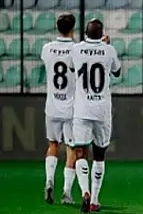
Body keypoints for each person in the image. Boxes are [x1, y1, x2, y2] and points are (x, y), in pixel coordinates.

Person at [71, 19, 122, 213]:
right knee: (99, 155)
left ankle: (84, 191)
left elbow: (72, 69)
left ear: (85, 32)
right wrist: (105, 46)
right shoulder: (109, 50)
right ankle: (94, 200)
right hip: (102, 110)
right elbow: (117, 72)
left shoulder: (76, 49)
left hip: (82, 109)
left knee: (80, 153)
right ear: (102, 34)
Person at [42, 13, 78, 206]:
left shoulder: (47, 48)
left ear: (57, 27)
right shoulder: (76, 49)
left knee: (52, 145)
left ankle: (49, 180)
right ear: (73, 28)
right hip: (71, 108)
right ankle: (66, 192)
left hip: (52, 106)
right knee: (71, 148)